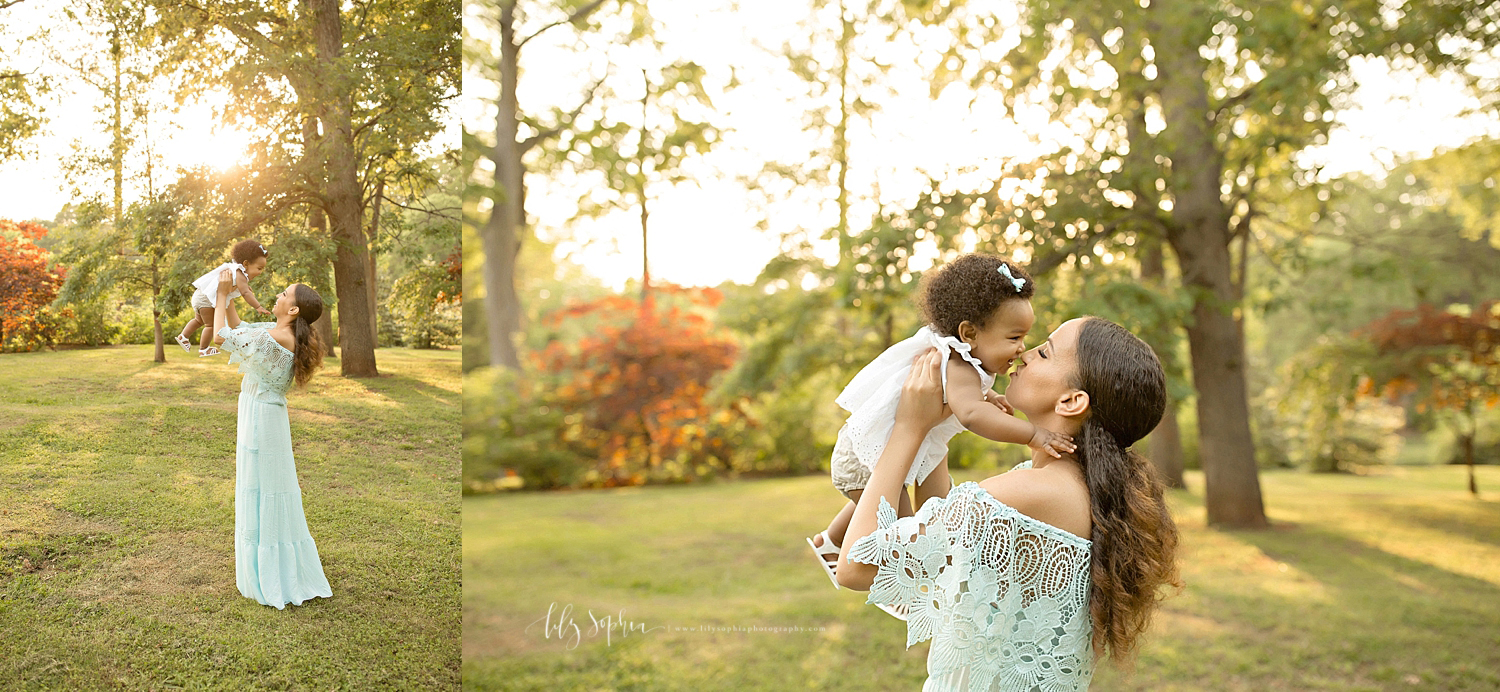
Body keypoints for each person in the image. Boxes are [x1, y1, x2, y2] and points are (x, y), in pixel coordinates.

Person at [836, 317, 1182, 691]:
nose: (1024, 353)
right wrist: (936, 427)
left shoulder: (1026, 494)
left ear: (1070, 401)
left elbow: (858, 565)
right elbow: (938, 547)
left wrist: (908, 427)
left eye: (1045, 352)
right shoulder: (1074, 490)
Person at [807, 254, 1075, 590]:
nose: (1022, 349)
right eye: (1014, 338)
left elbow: (963, 394)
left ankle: (828, 541)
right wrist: (1033, 433)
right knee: (899, 533)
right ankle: (900, 591)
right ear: (969, 333)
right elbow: (971, 414)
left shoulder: (958, 357)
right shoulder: (958, 365)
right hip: (865, 457)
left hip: (867, 451)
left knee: (879, 503)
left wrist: (988, 395)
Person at [210, 267, 332, 609]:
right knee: (260, 486)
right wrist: (233, 293)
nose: (277, 295)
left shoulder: (280, 338)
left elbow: (221, 336)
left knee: (264, 487)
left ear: (292, 310)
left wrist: (220, 296)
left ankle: (272, 571)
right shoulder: (274, 331)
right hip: (258, 411)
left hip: (263, 418)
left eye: (284, 294)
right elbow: (238, 328)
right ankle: (263, 567)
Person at [177, 239, 273, 357]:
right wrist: (258, 306)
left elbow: (241, 288)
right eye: (259, 268)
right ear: (246, 264)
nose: (260, 272)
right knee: (210, 325)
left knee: (198, 321)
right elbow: (245, 293)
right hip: (207, 300)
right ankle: (203, 349)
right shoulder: (240, 274)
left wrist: (245, 287)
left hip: (200, 296)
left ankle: (183, 336)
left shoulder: (234, 269)